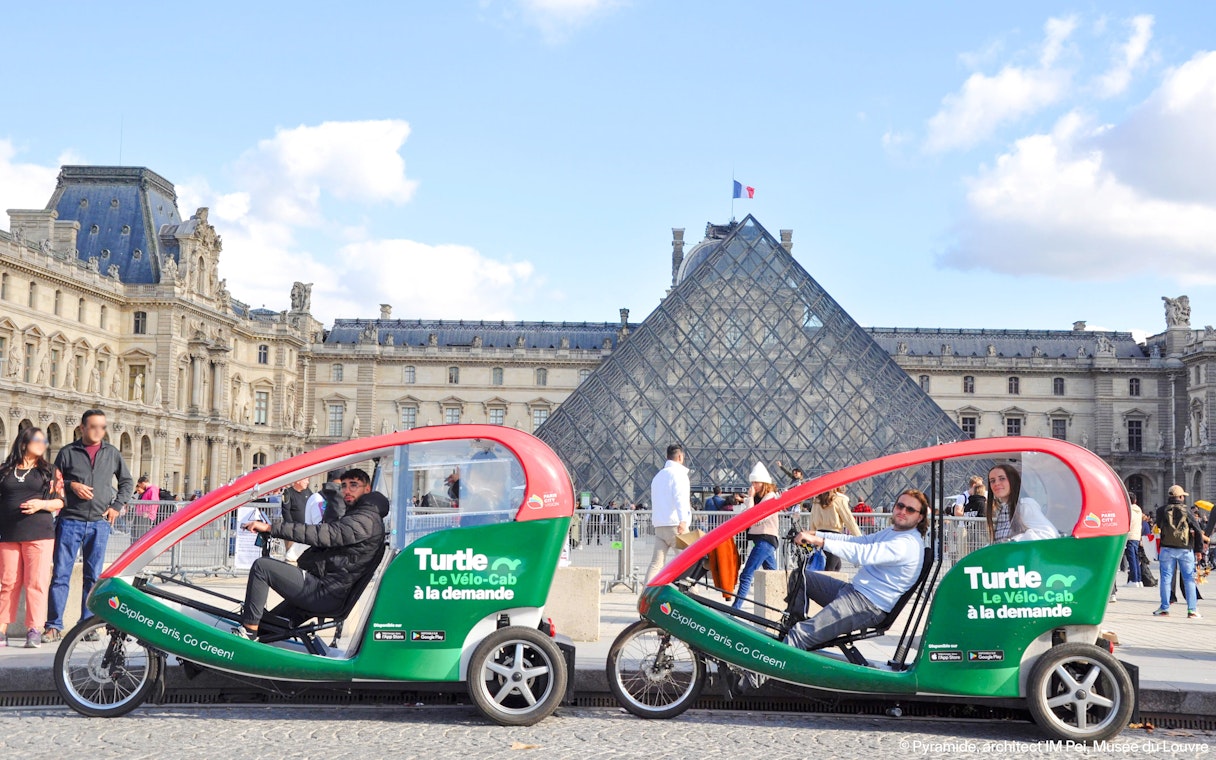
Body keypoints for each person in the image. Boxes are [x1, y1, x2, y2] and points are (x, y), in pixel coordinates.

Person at [742, 489, 929, 691]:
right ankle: (799, 630)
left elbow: (863, 554)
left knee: (801, 633)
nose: (902, 511)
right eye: (900, 506)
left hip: (867, 605)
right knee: (800, 576)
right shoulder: (893, 532)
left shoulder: (907, 543)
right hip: (854, 592)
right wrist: (817, 534)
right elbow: (859, 541)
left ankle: (753, 680)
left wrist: (820, 542)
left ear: (920, 517)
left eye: (910, 509)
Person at [234, 469, 388, 638]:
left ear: (367, 489)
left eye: (354, 485)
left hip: (325, 592)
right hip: (329, 590)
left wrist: (271, 528)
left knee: (262, 567)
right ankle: (253, 638)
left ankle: (248, 632)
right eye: (344, 485)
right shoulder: (363, 514)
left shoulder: (364, 519)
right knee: (268, 629)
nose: (347, 490)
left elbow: (322, 534)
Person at [45, 409, 134, 642]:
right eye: (94, 426)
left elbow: (127, 482)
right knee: (60, 575)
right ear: (82, 428)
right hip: (69, 521)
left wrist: (116, 506)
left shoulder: (112, 453)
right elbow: (54, 481)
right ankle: (53, 626)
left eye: (102, 427)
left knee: (92, 577)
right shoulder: (67, 452)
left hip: (99, 523)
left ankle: (87, 626)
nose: (99, 431)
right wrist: (72, 484)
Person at [0, 427, 65, 648]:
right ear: (24, 442)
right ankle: (1, 629)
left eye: (44, 441)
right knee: (8, 582)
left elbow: (60, 501)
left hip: (38, 533)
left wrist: (41, 504)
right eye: (37, 440)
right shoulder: (6, 469)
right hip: (8, 533)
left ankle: (34, 629)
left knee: (35, 583)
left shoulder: (49, 470)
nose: (42, 444)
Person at [732, 464, 780, 610]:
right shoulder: (759, 498)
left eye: (756, 483)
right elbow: (749, 515)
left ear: (764, 483)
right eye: (752, 483)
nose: (753, 485)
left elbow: (755, 518)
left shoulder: (770, 497)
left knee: (747, 574)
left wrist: (750, 498)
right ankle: (781, 605)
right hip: (761, 539)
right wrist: (750, 499)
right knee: (773, 576)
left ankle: (736, 609)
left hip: (766, 539)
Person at [1153, 485, 1203, 619]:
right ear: (1181, 497)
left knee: (1166, 579)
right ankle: (1192, 610)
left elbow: (1158, 526)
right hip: (1185, 550)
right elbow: (1198, 530)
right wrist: (1199, 550)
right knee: (1189, 580)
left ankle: (1164, 608)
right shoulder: (1187, 511)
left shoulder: (1161, 510)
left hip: (1166, 548)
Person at [645, 444, 691, 584]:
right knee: (689, 562)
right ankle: (693, 598)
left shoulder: (658, 476)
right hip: (676, 526)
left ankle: (646, 596)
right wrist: (683, 520)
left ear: (667, 457)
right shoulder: (679, 475)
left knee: (656, 564)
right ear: (680, 457)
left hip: (660, 526)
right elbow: (680, 498)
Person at [986, 464, 1056, 543]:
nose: (996, 483)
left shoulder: (1025, 504)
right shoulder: (1002, 508)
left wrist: (1015, 541)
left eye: (1002, 478)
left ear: (1013, 480)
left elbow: (1049, 534)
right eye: (992, 481)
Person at [808, 487, 861, 571]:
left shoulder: (817, 501)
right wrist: (859, 538)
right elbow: (849, 520)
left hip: (819, 534)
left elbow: (812, 520)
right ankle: (824, 583)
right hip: (834, 536)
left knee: (836, 565)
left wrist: (813, 535)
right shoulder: (839, 500)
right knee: (831, 568)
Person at [281, 477, 311, 561]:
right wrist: (292, 529)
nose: (307, 482)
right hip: (292, 533)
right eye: (306, 479)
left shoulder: (308, 492)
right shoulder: (287, 493)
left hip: (305, 531)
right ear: (298, 480)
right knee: (291, 558)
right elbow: (286, 512)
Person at [1125, 494, 1144, 588]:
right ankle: (1139, 579)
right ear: (1135, 501)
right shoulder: (1139, 510)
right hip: (1136, 536)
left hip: (1130, 536)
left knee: (1131, 559)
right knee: (1136, 559)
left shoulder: (1128, 510)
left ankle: (1133, 580)